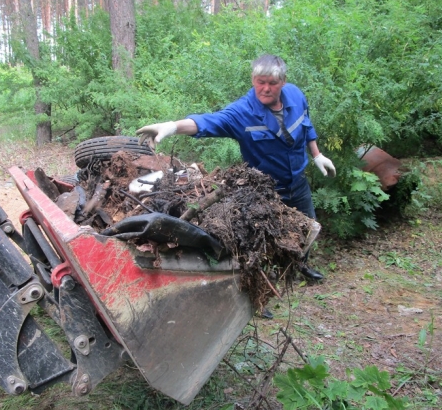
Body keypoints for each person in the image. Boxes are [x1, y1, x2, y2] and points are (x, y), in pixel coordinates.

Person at [136, 54, 335, 282]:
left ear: (283, 81)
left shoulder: (296, 96)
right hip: (267, 191)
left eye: (272, 83)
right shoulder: (243, 112)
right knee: (262, 239)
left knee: (307, 227)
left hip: (298, 182)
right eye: (260, 82)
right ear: (253, 79)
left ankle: (299, 265)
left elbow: (306, 124)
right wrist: (172, 126)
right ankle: (262, 282)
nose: (266, 88)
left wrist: (317, 154)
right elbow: (208, 121)